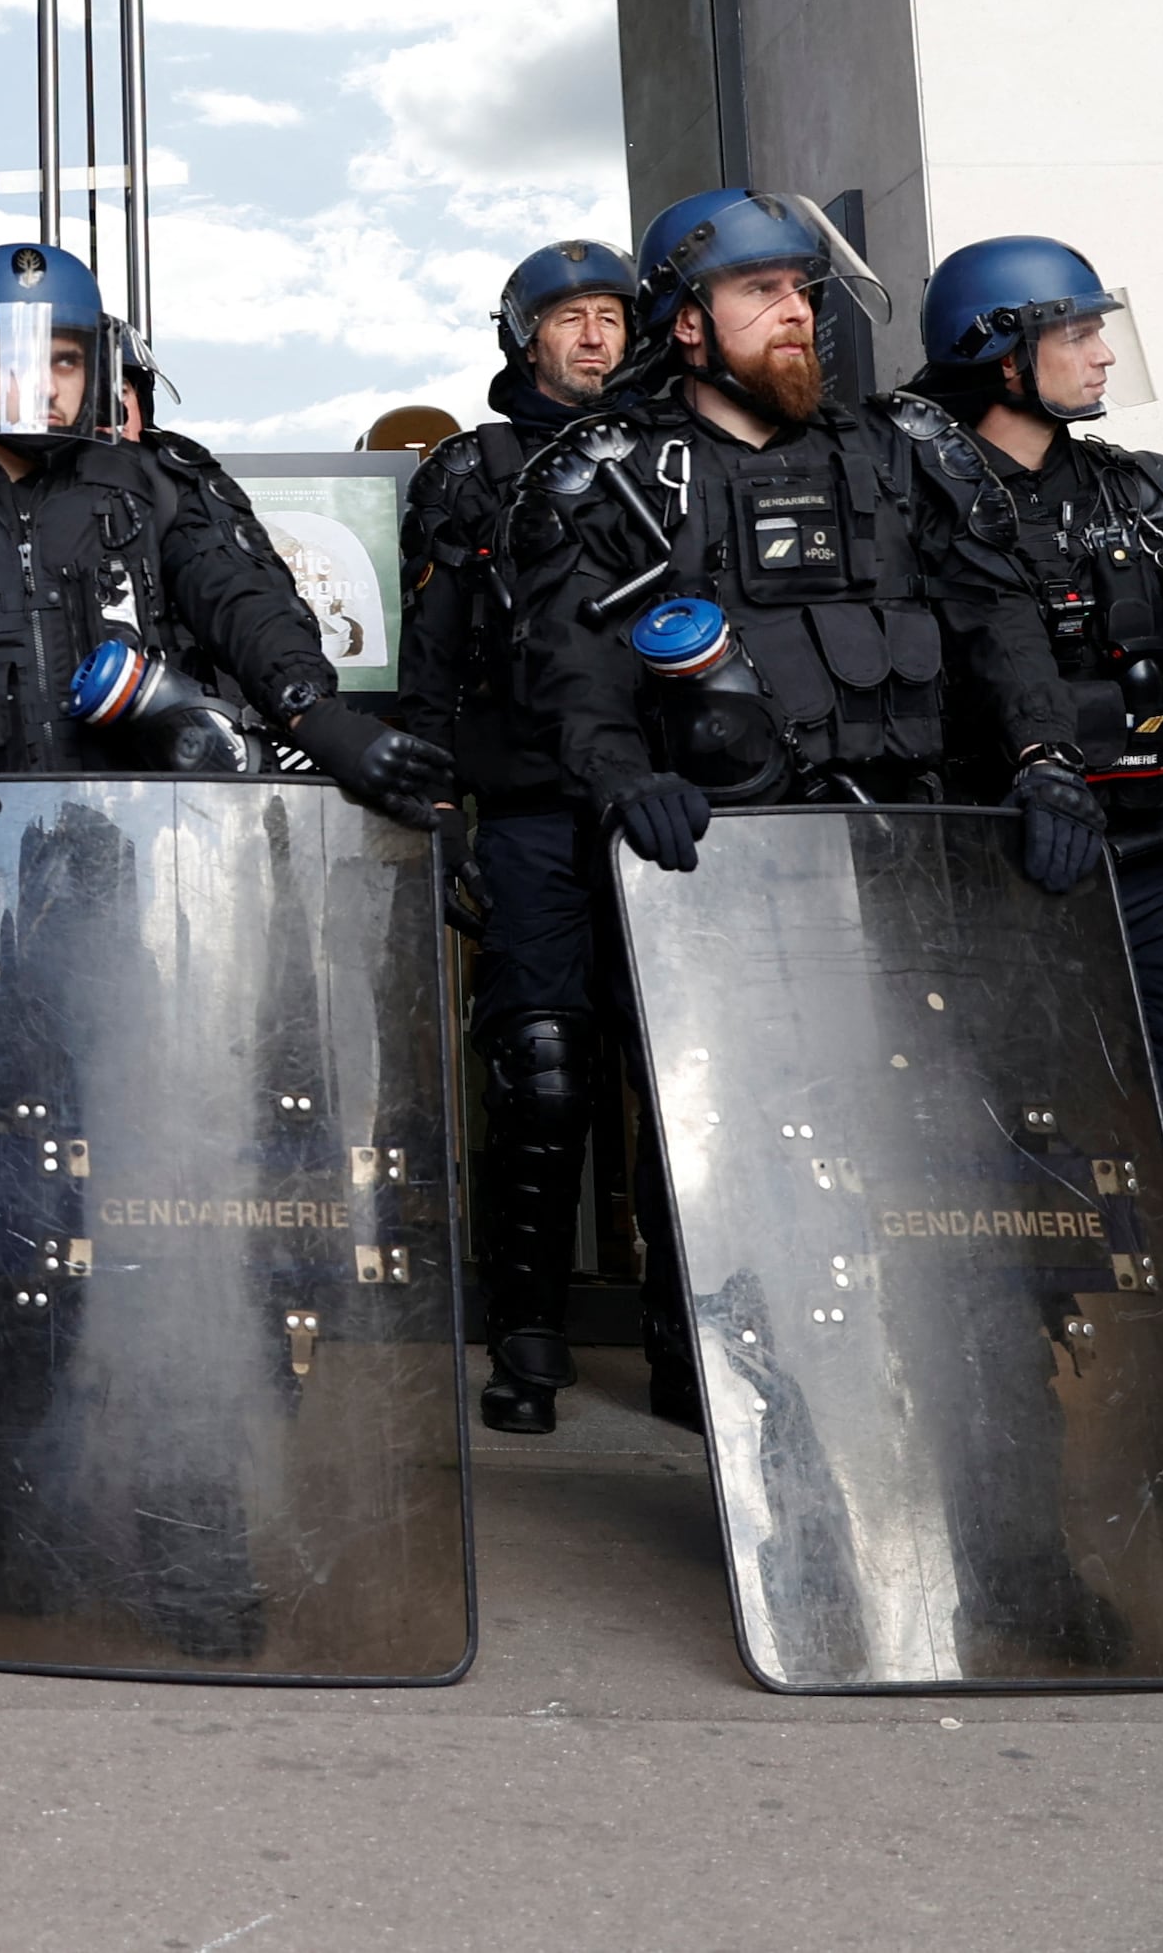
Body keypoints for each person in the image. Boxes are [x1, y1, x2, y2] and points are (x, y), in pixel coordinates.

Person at [507, 191, 1094, 1421]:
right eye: (760, 294)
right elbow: (570, 673)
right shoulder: (607, 477)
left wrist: (1044, 759)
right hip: (721, 876)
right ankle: (728, 1400)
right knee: (728, 1153)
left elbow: (995, 619)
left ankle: (959, 1415)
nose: (794, 315)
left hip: (904, 860)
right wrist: (627, 785)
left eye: (803, 292)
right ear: (683, 325)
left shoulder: (903, 452)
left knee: (929, 1146)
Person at [907, 236, 1163, 1537]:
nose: (1100, 353)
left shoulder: (1145, 490)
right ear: (996, 347)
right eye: (1076, 331)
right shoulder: (915, 496)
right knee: (1006, 1162)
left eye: (1102, 328)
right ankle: (1011, 1447)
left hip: (1143, 845)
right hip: (986, 862)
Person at [0, 240, 450, 827]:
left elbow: (247, 605)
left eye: (65, 361)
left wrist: (319, 716)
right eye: (7, 359)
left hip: (151, 845)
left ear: (96, 371)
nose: (40, 384)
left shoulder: (159, 487)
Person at [398, 236, 638, 1437]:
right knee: (541, 1067)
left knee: (676, 1075)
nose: (592, 335)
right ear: (522, 335)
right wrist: (438, 810)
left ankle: (687, 1340)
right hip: (532, 806)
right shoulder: (467, 471)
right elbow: (431, 662)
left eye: (609, 315)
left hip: (671, 808)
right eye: (567, 318)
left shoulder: (677, 450)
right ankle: (528, 1328)